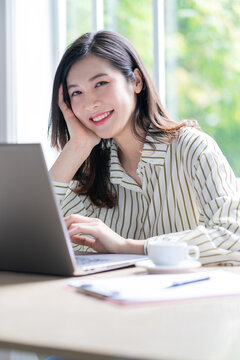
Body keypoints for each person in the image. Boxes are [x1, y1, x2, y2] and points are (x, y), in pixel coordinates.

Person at [49, 30, 240, 266]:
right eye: (76, 92)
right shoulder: (92, 172)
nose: (90, 103)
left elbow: (233, 236)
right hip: (113, 299)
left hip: (191, 297)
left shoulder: (193, 148)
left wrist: (125, 246)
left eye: (101, 83)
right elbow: (32, 238)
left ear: (136, 81)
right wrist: (76, 146)